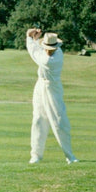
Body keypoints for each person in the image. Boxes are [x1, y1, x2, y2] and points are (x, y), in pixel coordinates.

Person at [26, 28, 78, 165]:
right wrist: (36, 38)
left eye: (50, 48)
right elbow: (37, 49)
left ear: (56, 47)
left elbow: (34, 51)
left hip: (53, 88)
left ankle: (70, 155)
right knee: (38, 119)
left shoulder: (51, 60)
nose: (48, 50)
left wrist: (29, 37)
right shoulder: (51, 51)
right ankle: (36, 155)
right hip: (40, 86)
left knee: (60, 121)